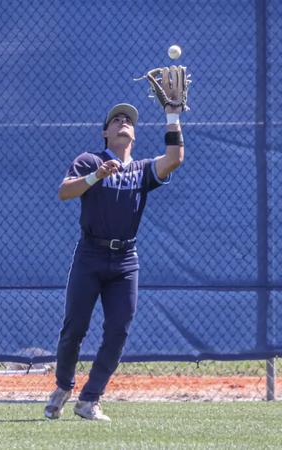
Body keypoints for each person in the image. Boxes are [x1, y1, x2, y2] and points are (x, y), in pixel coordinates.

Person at [44, 101, 185, 421]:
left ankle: (89, 400)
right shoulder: (89, 160)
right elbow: (64, 192)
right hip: (90, 256)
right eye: (116, 120)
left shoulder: (141, 170)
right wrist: (95, 176)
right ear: (106, 133)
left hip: (125, 261)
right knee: (74, 328)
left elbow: (175, 159)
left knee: (118, 330)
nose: (123, 122)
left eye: (128, 121)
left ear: (133, 135)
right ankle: (63, 386)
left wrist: (173, 117)